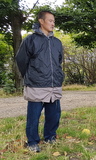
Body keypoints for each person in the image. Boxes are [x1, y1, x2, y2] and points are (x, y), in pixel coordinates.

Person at [15, 11, 64, 152]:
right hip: (36, 85)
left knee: (54, 115)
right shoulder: (30, 40)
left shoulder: (57, 42)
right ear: (41, 21)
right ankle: (32, 142)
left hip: (54, 85)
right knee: (34, 116)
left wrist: (58, 76)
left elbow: (58, 61)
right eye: (50, 20)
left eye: (54, 21)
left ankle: (50, 137)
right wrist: (30, 75)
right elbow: (21, 60)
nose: (53, 23)